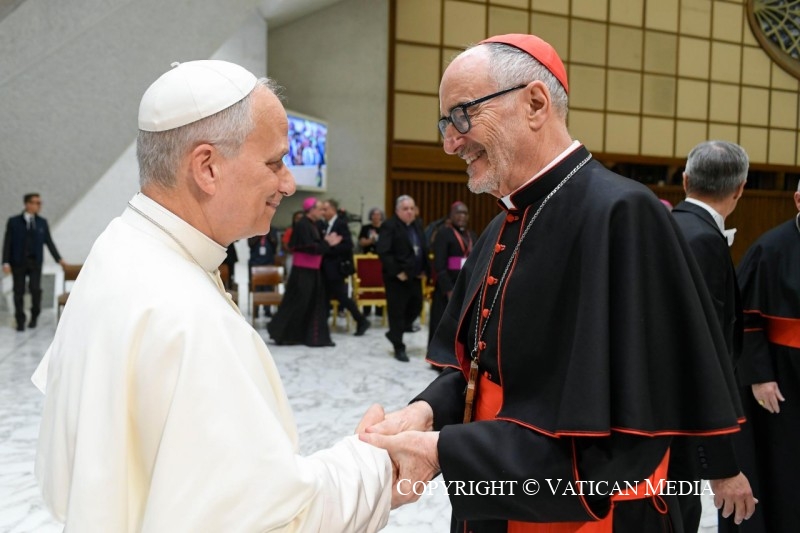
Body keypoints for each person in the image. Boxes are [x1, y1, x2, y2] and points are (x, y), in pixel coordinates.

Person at [360, 34, 747, 531]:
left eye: (461, 115)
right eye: (445, 123)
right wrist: (427, 413)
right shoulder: (503, 224)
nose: (450, 142)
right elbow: (481, 368)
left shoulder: (623, 215)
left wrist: (444, 452)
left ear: (536, 104)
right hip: (496, 490)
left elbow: (623, 439)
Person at [32, 60, 391, 532]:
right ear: (207, 168)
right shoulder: (187, 315)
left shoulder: (118, 248)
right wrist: (381, 466)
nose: (287, 183)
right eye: (274, 162)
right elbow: (274, 522)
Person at [670, 141, 759, 532]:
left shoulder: (669, 225)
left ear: (685, 180)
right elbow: (705, 352)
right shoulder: (703, 240)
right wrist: (722, 463)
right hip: (680, 422)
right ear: (740, 188)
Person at [735, 181, 800, 532]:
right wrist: (759, 375)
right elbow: (744, 317)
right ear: (798, 200)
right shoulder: (769, 248)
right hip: (784, 379)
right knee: (785, 469)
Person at [267, 197, 339, 347]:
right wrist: (327, 243)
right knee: (298, 304)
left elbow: (316, 245)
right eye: (320, 209)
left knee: (312, 304)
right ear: (311, 210)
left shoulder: (313, 224)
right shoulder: (302, 225)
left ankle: (309, 337)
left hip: (313, 270)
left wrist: (326, 243)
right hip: (303, 272)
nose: (322, 212)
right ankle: (283, 334)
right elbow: (309, 247)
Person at [376, 195, 429, 362]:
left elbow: (423, 248)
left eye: (412, 208)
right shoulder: (389, 225)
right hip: (396, 278)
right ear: (397, 210)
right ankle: (399, 347)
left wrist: (424, 269)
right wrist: (398, 271)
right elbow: (383, 251)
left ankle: (394, 333)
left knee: (417, 305)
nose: (409, 212)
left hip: (414, 276)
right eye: (405, 209)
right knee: (397, 313)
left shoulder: (417, 225)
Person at [2, 193, 67, 331]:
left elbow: (49, 242)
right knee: (18, 291)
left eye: (39, 203)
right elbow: (8, 242)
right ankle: (20, 320)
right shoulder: (14, 222)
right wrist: (5, 262)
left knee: (35, 290)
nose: (39, 205)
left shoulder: (42, 222)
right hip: (18, 262)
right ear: (27, 204)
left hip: (35, 263)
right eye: (36, 203)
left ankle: (34, 316)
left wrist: (59, 259)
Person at [320, 199, 371, 336]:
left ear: (333, 210)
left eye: (325, 209)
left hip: (336, 268)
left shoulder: (340, 224)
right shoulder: (325, 224)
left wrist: (329, 248)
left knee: (341, 296)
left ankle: (361, 320)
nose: (322, 212)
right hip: (326, 267)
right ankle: (322, 325)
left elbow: (348, 245)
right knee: (326, 296)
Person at [428, 201, 476, 347]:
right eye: (458, 213)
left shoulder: (471, 235)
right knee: (442, 324)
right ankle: (437, 357)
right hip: (447, 287)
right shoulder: (443, 233)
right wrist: (448, 289)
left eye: (465, 213)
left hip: (466, 286)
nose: (462, 216)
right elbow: (439, 265)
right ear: (451, 215)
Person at [247, 229, 278, 317]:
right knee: (256, 287)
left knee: (268, 287)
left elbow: (275, 245)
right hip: (255, 262)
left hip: (269, 262)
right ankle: (256, 310)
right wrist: (259, 234)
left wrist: (268, 233)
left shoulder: (273, 231)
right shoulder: (253, 230)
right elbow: (250, 244)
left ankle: (267, 310)